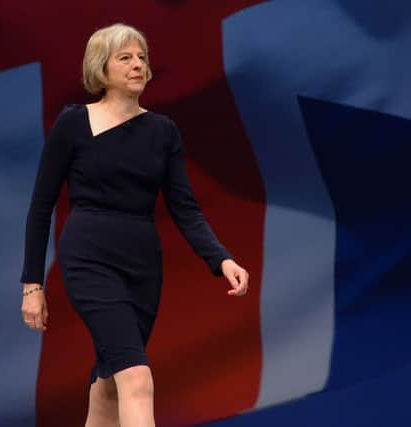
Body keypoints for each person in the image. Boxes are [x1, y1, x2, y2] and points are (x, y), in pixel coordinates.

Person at [19, 23, 249, 427]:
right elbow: (41, 206)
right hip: (88, 258)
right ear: (100, 68)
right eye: (125, 57)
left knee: (109, 385)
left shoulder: (163, 131)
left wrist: (221, 259)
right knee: (137, 378)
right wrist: (32, 285)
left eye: (141, 56)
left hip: (142, 267)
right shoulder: (73, 123)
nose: (138, 64)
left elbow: (186, 208)